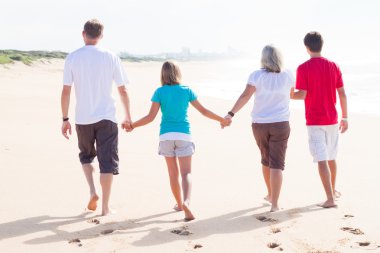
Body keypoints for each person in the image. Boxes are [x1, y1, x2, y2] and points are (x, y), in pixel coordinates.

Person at [124, 61, 229, 221]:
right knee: (186, 172)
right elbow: (203, 111)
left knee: (173, 174)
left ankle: (179, 204)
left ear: (163, 75)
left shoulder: (159, 92)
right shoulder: (186, 91)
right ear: (178, 73)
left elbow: (150, 117)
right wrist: (222, 119)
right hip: (183, 135)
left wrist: (133, 125)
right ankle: (186, 202)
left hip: (165, 136)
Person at [60, 19, 132, 216]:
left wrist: (65, 118)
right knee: (107, 161)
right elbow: (123, 90)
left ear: (83, 34)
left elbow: (66, 91)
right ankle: (105, 208)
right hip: (107, 117)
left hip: (83, 118)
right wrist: (127, 117)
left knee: (86, 156)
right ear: (101, 36)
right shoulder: (111, 57)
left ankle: (92, 191)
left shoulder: (73, 57)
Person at [223, 45, 294, 212]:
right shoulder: (288, 75)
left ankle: (270, 194)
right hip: (281, 123)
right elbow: (292, 94)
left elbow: (245, 96)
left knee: (266, 159)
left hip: (260, 124)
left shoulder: (256, 75)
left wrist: (231, 114)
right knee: (277, 164)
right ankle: (275, 204)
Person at [291, 31, 348, 208]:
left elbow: (302, 95)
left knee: (322, 159)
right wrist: (345, 117)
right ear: (321, 45)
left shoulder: (303, 68)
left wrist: (290, 94)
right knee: (331, 157)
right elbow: (342, 94)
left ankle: (330, 199)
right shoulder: (334, 66)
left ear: (307, 48)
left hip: (315, 120)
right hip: (332, 118)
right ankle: (334, 190)